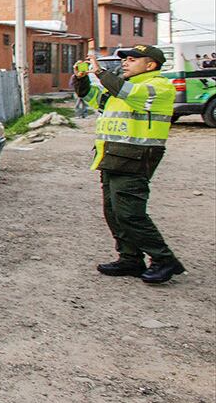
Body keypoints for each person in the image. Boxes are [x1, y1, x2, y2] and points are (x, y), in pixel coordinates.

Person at [74, 42, 185, 284]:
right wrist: (80, 79)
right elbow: (93, 98)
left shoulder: (158, 86)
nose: (125, 62)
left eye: (132, 59)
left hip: (136, 156)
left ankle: (164, 259)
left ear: (150, 64)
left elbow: (128, 94)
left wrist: (100, 73)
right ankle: (130, 258)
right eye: (125, 59)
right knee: (113, 211)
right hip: (112, 155)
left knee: (130, 213)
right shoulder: (124, 86)